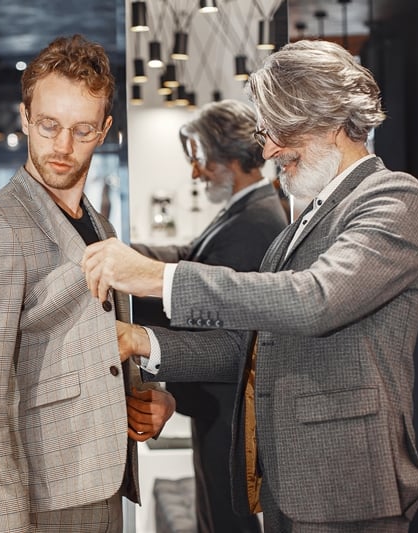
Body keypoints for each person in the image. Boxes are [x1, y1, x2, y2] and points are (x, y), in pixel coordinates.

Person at [82, 39, 418, 532]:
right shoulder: (301, 222)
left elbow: (317, 300)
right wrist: (144, 341)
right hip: (289, 480)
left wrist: (158, 278)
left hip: (348, 482)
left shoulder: (394, 198)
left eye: (276, 131)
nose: (268, 150)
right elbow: (254, 348)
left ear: (328, 117)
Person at [0, 34, 175, 533]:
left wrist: (148, 394)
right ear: (25, 117)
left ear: (106, 130)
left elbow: (94, 341)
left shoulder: (101, 226)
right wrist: (6, 523)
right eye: (48, 126)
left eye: (82, 129)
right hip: (42, 495)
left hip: (105, 480)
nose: (63, 147)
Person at [131, 99, 287, 533]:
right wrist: (128, 258)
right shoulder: (244, 209)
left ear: (231, 155)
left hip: (229, 400)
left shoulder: (256, 221)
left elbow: (219, 318)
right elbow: (189, 257)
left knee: (225, 519)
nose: (195, 173)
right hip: (218, 399)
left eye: (199, 159)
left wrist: (134, 279)